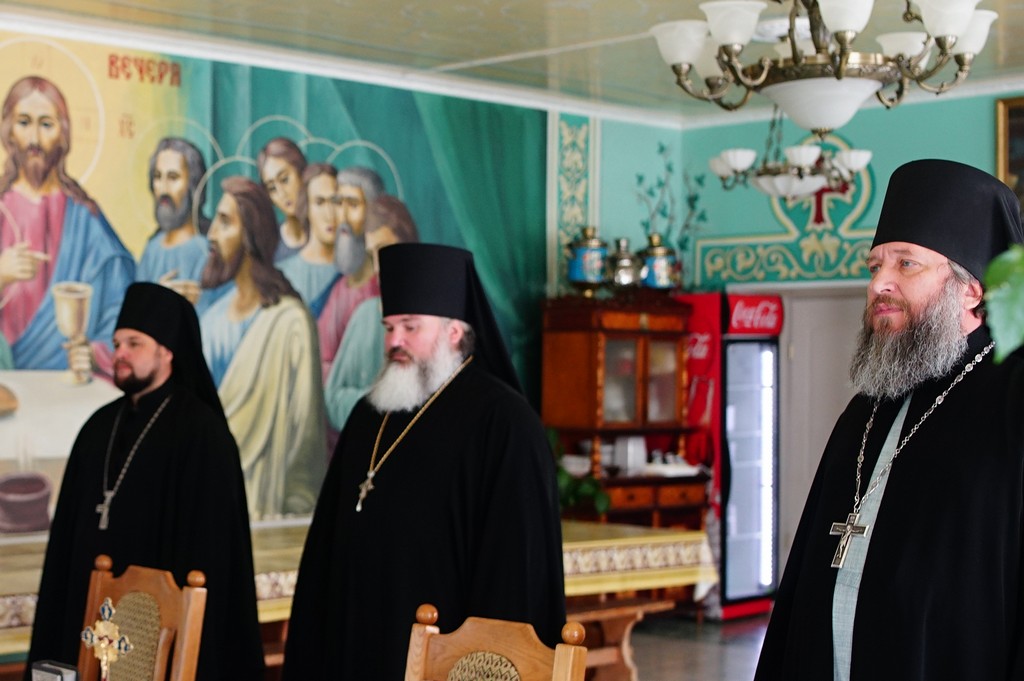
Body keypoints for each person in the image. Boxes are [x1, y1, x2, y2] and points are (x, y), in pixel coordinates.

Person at [754, 159, 1024, 681]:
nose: (880, 283)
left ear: (972, 288)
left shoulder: (1013, 404)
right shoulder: (868, 407)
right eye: (875, 265)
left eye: (906, 265)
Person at [282, 242, 566, 680]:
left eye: (410, 327)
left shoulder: (505, 425)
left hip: (444, 660)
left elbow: (513, 579)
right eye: (389, 327)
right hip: (354, 649)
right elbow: (325, 547)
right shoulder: (369, 414)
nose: (394, 341)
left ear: (454, 331)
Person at [26, 282, 265, 679]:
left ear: (167, 351)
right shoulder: (98, 427)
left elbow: (212, 555)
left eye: (134, 344)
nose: (119, 353)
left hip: (155, 634)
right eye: (117, 344)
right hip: (86, 619)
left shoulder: (202, 434)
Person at [199, 176, 326, 518]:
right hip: (209, 498)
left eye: (225, 222)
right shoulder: (211, 322)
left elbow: (305, 441)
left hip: (270, 509)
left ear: (251, 235)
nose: (212, 235)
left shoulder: (290, 324)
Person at [0, 76, 134, 374]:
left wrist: (95, 352)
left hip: (70, 380)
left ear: (63, 134)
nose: (34, 139)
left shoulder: (85, 218)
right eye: (24, 122)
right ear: (8, 131)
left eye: (46, 125)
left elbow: (121, 302)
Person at [323, 194, 419, 430]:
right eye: (371, 254)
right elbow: (333, 396)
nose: (378, 266)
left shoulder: (431, 318)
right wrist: (380, 402)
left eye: (384, 250)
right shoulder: (365, 315)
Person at [315, 166, 385, 377]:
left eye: (353, 205)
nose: (342, 217)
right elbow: (322, 355)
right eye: (339, 203)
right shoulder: (340, 289)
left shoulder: (382, 285)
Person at [136, 137, 210, 286]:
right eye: (157, 176)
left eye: (173, 177)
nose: (163, 188)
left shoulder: (207, 249)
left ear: (193, 185)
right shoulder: (152, 249)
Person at [276, 163, 341, 316]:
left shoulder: (354, 271)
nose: (329, 214)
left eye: (335, 201)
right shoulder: (282, 274)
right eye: (320, 202)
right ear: (306, 208)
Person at [257, 137, 307, 261]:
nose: (281, 193)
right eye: (272, 188)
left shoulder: (325, 233)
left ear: (301, 173)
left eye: (284, 180)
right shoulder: (270, 244)